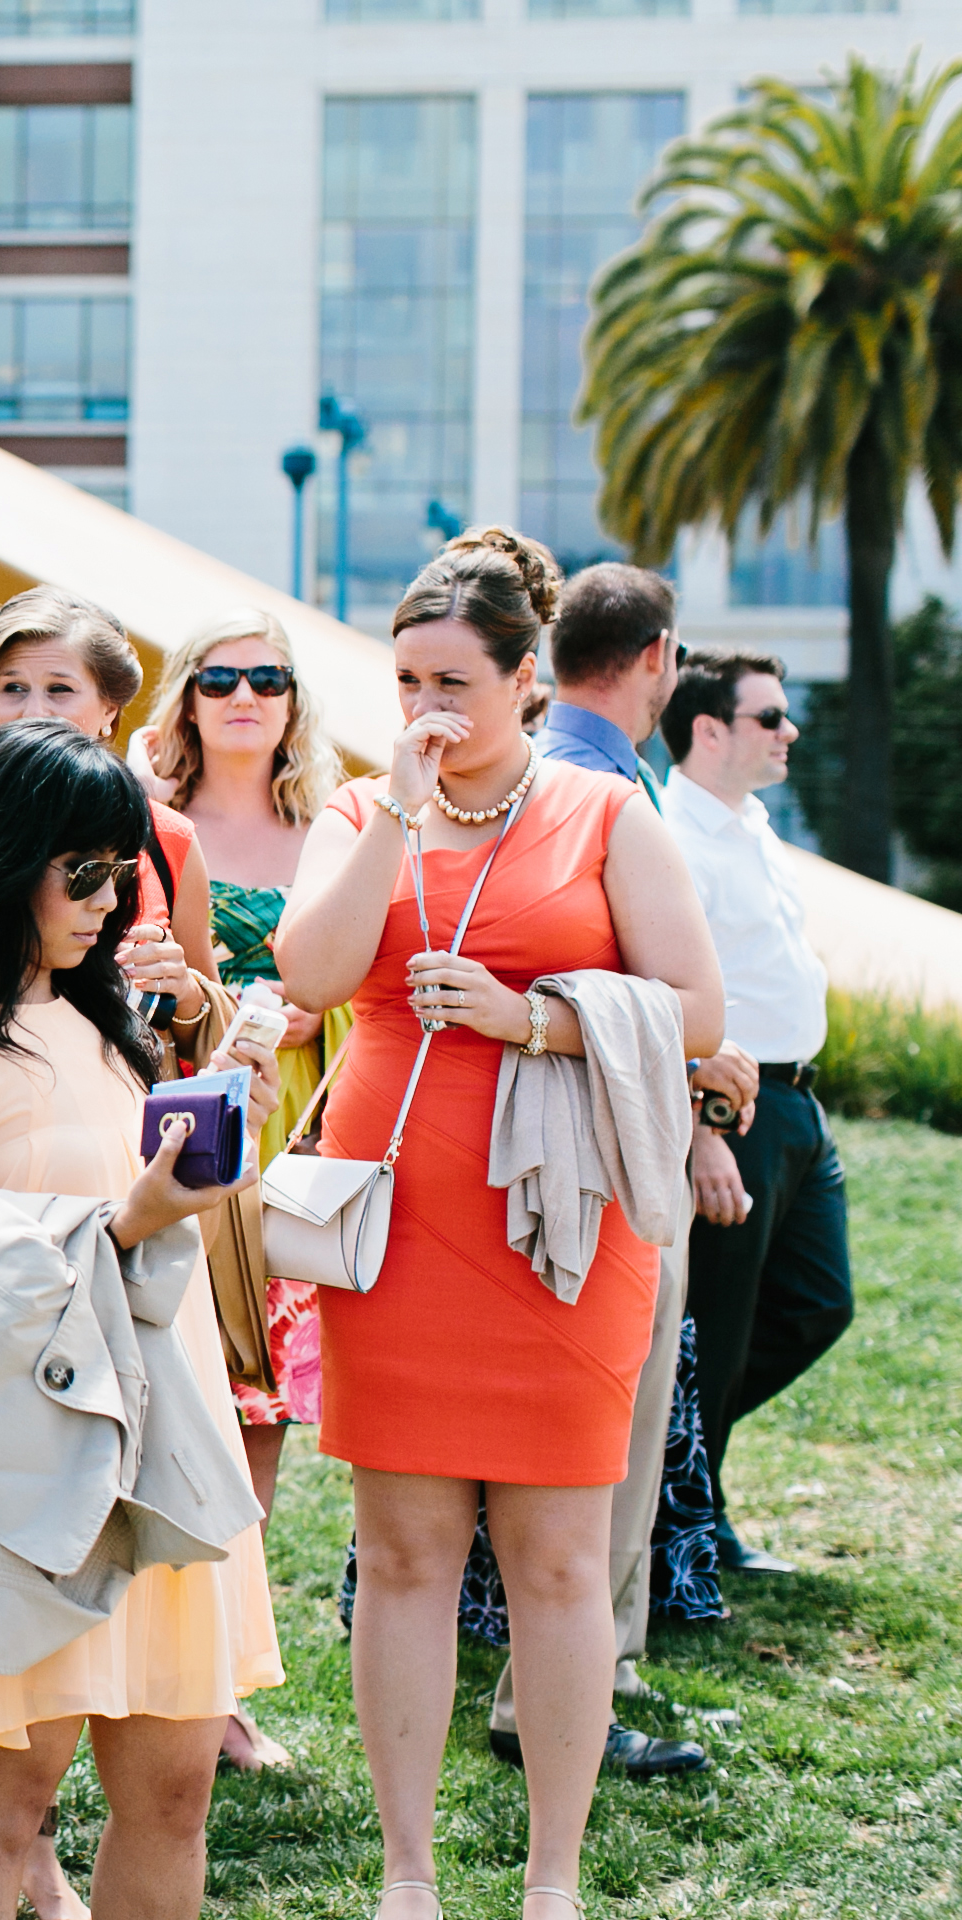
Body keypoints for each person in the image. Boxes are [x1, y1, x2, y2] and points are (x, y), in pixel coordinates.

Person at [272, 528, 725, 1920]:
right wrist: (401, 813)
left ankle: (552, 1880)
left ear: (528, 680)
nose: (427, 711)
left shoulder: (603, 817)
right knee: (402, 1551)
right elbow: (312, 970)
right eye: (407, 682)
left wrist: (538, 1019)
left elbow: (699, 1015)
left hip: (560, 1227)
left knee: (560, 1557)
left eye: (455, 683)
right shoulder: (359, 815)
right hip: (398, 1219)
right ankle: (407, 1877)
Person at [0, 718, 284, 1920]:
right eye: (81, 873)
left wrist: (214, 1138)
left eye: (124, 874)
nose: (112, 902)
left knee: (177, 1787)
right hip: (29, 1454)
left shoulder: (102, 1025)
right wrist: (132, 1215)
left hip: (158, 1432)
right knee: (5, 1799)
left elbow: (146, 1215)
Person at [499, 560, 720, 1777]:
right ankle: (574, 1687)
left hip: (605, 1135)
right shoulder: (590, 785)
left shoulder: (582, 773)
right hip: (595, 1154)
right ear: (657, 659)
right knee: (604, 1440)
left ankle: (580, 1679)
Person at [138, 608, 348, 1773]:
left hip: (303, 1128)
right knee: (173, 1402)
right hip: (177, 1125)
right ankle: (152, 1674)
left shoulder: (327, 824)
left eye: (268, 677)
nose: (244, 695)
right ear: (187, 698)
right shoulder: (147, 825)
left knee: (257, 1414)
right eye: (219, 678)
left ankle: (218, 1690)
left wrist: (327, 999)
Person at [660, 649, 852, 1577]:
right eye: (770, 717)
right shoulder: (674, 837)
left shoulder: (754, 824)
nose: (789, 732)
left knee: (819, 1304)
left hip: (797, 1105)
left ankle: (686, 1492)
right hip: (733, 1106)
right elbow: (669, 994)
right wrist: (700, 1128)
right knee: (721, 1329)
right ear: (710, 729)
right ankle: (695, 1531)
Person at [0, 588, 215, 1044]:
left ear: (110, 709)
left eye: (59, 689)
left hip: (133, 1107)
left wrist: (184, 991)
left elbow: (204, 1028)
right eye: (13, 688)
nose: (35, 711)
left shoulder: (167, 837)